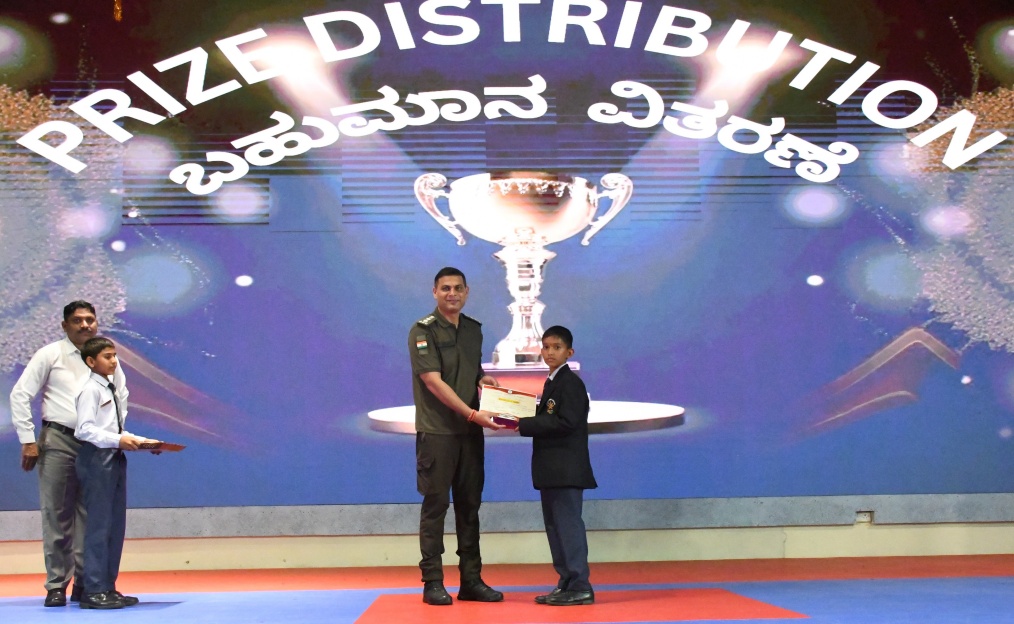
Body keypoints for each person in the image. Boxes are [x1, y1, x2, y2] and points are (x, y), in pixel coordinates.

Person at [9, 301, 128, 607]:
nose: (85, 325)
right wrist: (27, 440)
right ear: (65, 325)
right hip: (59, 440)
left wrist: (117, 438)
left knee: (94, 516)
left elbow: (120, 400)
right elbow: (20, 395)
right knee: (57, 514)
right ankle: (57, 585)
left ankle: (89, 584)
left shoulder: (108, 358)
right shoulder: (50, 354)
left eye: (90, 319)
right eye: (77, 320)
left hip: (97, 444)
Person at [408, 267, 506, 606]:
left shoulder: (473, 330)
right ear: (434, 291)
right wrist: (470, 413)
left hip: (469, 433)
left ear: (467, 292)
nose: (452, 294)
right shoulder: (423, 331)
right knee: (435, 507)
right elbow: (433, 381)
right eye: (446, 288)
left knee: (470, 506)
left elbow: (470, 370)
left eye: (458, 288)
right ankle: (433, 581)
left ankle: (471, 580)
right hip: (438, 431)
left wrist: (484, 380)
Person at [516, 326, 597, 606]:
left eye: (557, 347)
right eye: (546, 347)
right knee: (556, 529)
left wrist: (522, 423)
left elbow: (567, 422)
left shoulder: (571, 384)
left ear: (569, 352)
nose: (550, 352)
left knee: (568, 528)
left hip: (566, 470)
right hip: (552, 470)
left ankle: (580, 585)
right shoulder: (553, 382)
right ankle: (566, 583)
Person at [74, 336, 156, 610]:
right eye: (107, 356)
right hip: (96, 458)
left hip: (113, 456)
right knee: (99, 526)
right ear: (90, 361)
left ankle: (108, 586)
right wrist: (118, 440)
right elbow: (84, 430)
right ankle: (93, 589)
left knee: (114, 526)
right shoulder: (90, 390)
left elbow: (114, 430)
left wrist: (143, 442)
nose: (113, 361)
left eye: (114, 355)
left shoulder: (111, 388)